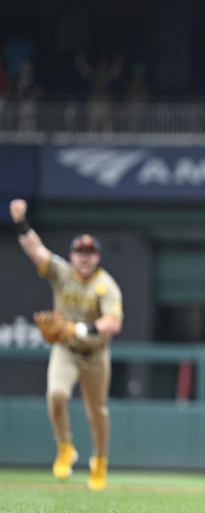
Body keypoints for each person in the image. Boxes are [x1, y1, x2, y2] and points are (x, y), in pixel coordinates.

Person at [9, 199, 122, 491]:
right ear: (72, 255)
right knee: (56, 395)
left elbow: (113, 323)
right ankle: (65, 447)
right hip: (66, 350)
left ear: (97, 257)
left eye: (90, 252)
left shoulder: (106, 285)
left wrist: (79, 328)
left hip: (95, 353)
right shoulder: (61, 272)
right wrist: (21, 222)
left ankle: (99, 461)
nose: (84, 257)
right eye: (80, 252)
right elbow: (35, 250)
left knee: (97, 412)